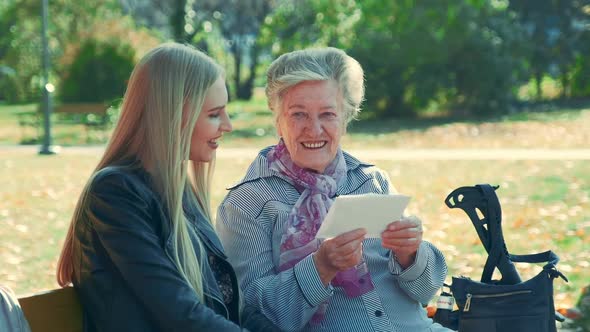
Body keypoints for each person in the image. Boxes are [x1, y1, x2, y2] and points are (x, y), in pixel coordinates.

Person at [216, 47, 451, 331]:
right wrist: (319, 268)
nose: (314, 130)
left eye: (327, 114)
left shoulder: (372, 181)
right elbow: (249, 313)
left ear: (346, 117)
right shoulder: (247, 203)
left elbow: (425, 292)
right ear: (277, 119)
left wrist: (411, 254)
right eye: (298, 114)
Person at [56, 42, 279, 332]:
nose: (228, 125)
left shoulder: (179, 190)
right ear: (173, 115)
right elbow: (180, 314)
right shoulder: (115, 193)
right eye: (214, 114)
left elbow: (230, 307)